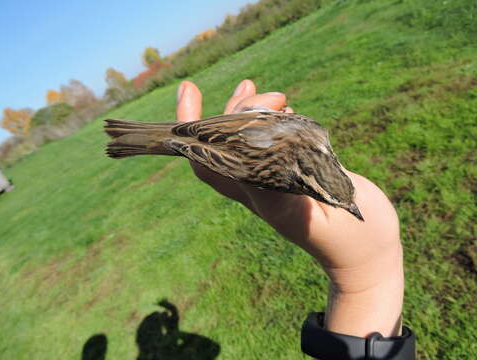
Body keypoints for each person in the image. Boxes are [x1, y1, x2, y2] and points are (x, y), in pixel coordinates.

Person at [175, 79, 414, 359]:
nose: (353, 209)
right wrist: (369, 273)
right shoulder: (299, 155)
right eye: (335, 201)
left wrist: (369, 274)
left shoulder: (315, 137)